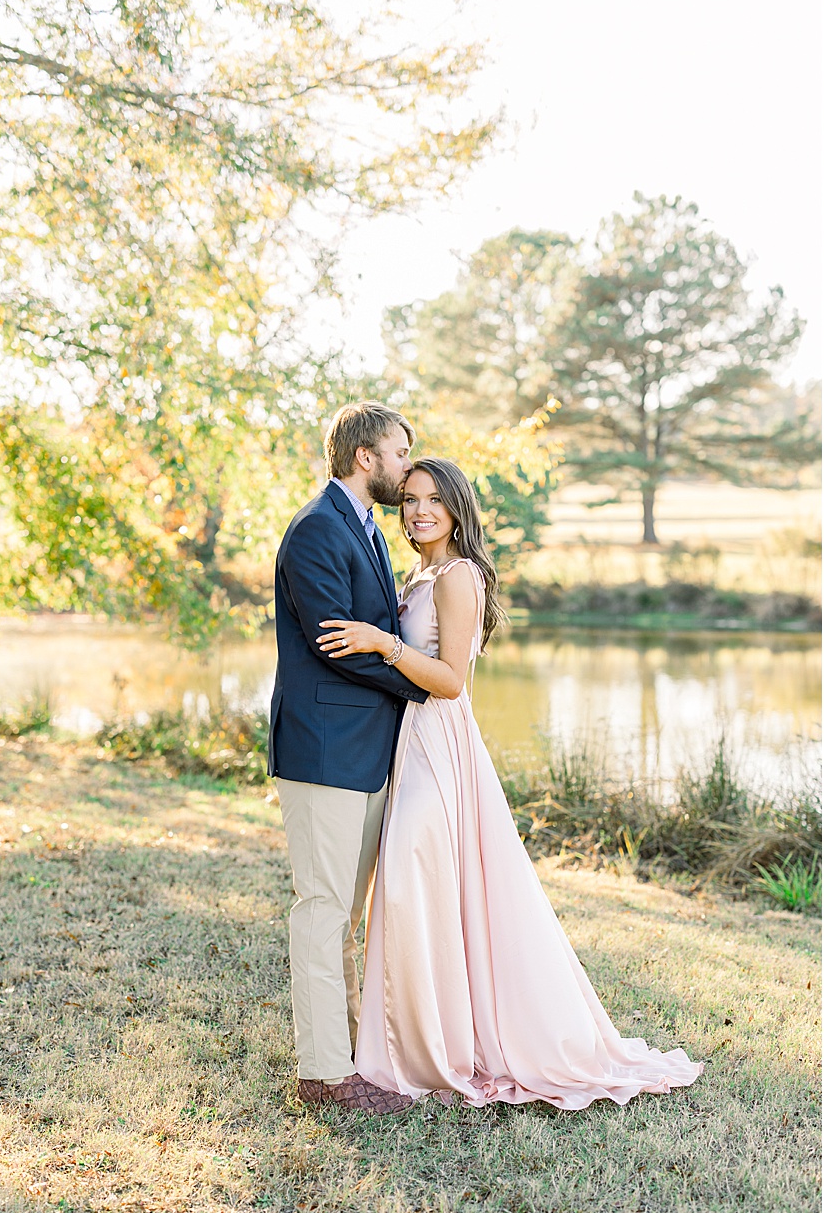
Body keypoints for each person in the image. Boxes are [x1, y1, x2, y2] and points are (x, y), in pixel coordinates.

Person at [316, 457, 704, 1109]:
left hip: (440, 741)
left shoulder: (460, 575)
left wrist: (381, 644)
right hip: (408, 743)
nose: (419, 512)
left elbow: (449, 680)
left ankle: (434, 1049)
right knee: (420, 886)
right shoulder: (418, 572)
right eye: (410, 499)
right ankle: (417, 1037)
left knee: (413, 873)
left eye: (434, 500)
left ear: (457, 508)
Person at [269, 401, 425, 1114]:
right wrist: (427, 685)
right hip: (325, 751)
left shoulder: (365, 531)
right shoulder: (315, 531)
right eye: (398, 454)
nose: (404, 466)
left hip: (364, 753)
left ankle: (355, 1057)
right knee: (322, 909)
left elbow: (373, 634)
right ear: (365, 457)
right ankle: (324, 1075)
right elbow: (339, 642)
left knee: (349, 915)